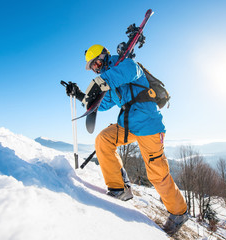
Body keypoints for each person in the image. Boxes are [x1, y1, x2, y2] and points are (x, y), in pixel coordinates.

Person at [65, 44, 188, 235]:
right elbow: (102, 104)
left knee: (157, 174)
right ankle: (119, 188)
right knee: (103, 139)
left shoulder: (127, 65)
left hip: (148, 126)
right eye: (93, 67)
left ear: (105, 56)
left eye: (96, 63)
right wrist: (80, 94)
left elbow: (117, 76)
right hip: (128, 125)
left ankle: (179, 212)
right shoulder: (110, 79)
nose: (97, 68)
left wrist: (97, 83)